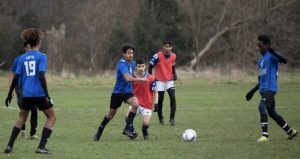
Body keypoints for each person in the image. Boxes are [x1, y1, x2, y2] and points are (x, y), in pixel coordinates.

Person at [4, 28, 56, 154]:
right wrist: (47, 95)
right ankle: (41, 147)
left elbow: (16, 77)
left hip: (26, 94)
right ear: (38, 42)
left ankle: (10, 145)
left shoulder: (22, 58)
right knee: (51, 117)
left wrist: (9, 93)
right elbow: (41, 75)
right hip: (39, 93)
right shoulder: (42, 56)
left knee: (22, 117)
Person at [245, 35, 297, 142]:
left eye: (260, 46)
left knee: (261, 106)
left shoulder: (272, 56)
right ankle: (290, 131)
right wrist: (252, 92)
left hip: (271, 89)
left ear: (267, 45)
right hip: (263, 90)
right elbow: (261, 81)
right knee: (272, 113)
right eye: (258, 46)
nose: (258, 48)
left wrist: (273, 52)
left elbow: (285, 61)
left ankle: (265, 135)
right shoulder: (260, 61)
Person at [94, 44, 148, 141]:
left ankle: (128, 128)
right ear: (124, 54)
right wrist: (140, 80)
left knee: (135, 104)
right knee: (110, 115)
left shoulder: (133, 63)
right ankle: (100, 129)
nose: (131, 55)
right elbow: (127, 78)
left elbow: (133, 73)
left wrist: (138, 76)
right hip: (117, 93)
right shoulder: (122, 64)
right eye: (128, 53)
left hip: (128, 92)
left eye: (132, 53)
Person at [9, 44, 39, 140]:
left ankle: (32, 133)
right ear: (25, 48)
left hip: (30, 87)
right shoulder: (19, 59)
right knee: (24, 109)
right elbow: (12, 73)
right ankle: (22, 131)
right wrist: (11, 89)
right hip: (20, 87)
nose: (30, 49)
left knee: (34, 109)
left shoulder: (35, 58)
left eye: (31, 47)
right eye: (28, 47)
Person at [125, 58, 158, 140]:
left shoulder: (151, 78)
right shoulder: (132, 78)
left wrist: (156, 103)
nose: (141, 68)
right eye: (139, 66)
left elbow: (156, 92)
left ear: (145, 67)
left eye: (142, 66)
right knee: (127, 117)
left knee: (146, 123)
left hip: (147, 105)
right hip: (136, 104)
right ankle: (132, 132)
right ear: (136, 67)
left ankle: (144, 130)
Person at [148, 40, 177, 126]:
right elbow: (150, 67)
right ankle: (161, 118)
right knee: (160, 100)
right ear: (163, 47)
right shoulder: (157, 56)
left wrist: (174, 74)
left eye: (169, 46)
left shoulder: (174, 56)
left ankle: (172, 119)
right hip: (159, 81)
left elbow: (173, 65)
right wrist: (150, 78)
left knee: (173, 97)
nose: (167, 48)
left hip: (169, 81)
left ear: (171, 47)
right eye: (166, 46)